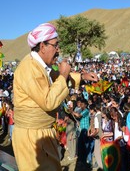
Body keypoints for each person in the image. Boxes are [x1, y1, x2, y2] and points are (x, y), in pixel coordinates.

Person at [12, 23, 97, 171]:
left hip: (42, 133)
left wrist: (82, 77)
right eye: (55, 45)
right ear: (42, 46)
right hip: (31, 138)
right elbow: (48, 101)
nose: (58, 50)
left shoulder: (42, 67)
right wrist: (64, 75)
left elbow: (57, 79)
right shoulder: (30, 68)